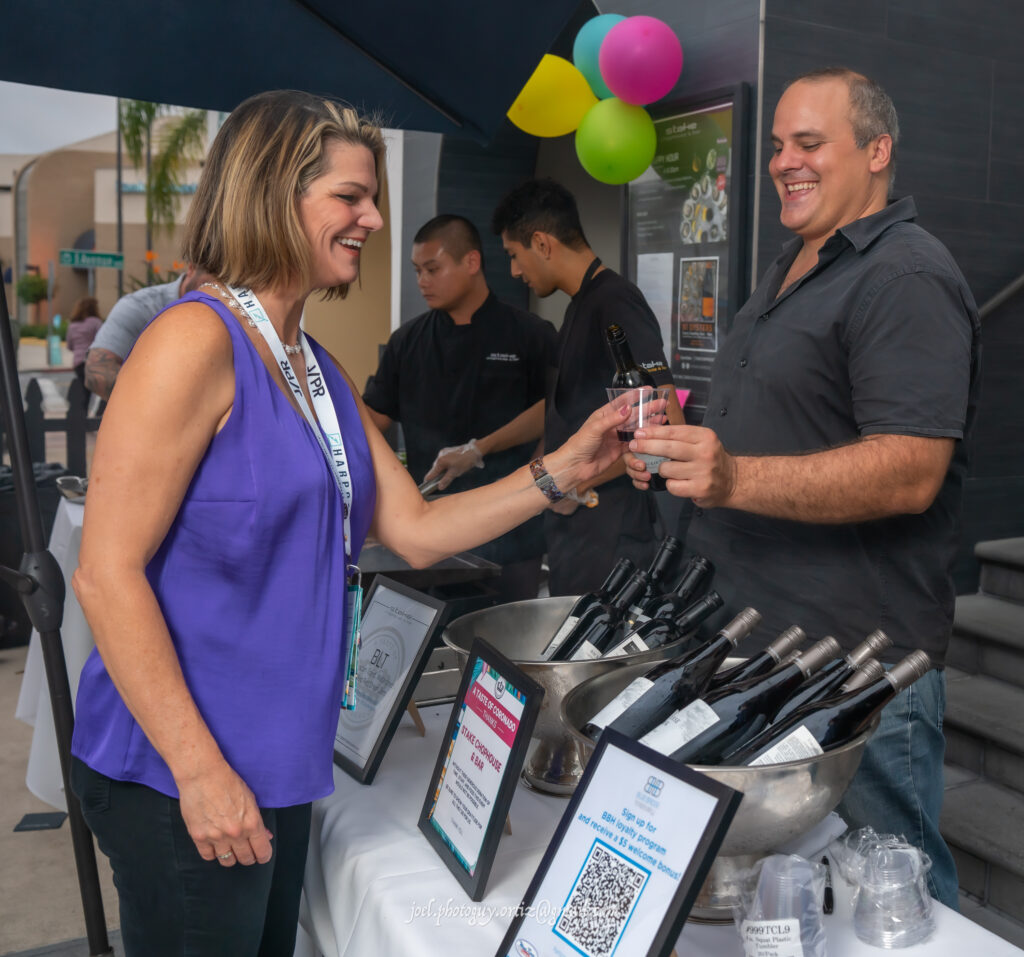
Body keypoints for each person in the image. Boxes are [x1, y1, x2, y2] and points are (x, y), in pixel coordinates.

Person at [68, 90, 627, 957]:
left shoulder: (312, 364)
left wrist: (564, 468)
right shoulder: (194, 342)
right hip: (183, 772)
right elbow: (106, 572)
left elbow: (414, 527)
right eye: (349, 196)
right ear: (270, 197)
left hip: (277, 762)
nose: (372, 218)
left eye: (372, 197)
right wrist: (201, 770)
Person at [626, 68, 980, 908]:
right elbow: (785, 425)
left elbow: (910, 468)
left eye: (810, 143)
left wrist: (734, 474)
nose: (784, 160)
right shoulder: (794, 262)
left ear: (878, 151)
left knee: (891, 901)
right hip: (757, 646)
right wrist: (674, 453)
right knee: (781, 899)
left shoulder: (907, 276)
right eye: (779, 143)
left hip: (858, 674)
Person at [491, 178, 684, 597]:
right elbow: (562, 411)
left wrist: (579, 481)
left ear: (541, 243)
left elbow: (664, 420)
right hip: (573, 537)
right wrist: (538, 473)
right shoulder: (580, 304)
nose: (514, 271)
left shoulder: (615, 304)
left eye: (514, 255)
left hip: (614, 542)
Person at [363, 214, 556, 602]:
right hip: (429, 530)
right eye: (418, 271)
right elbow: (372, 419)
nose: (422, 282)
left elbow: (555, 412)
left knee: (502, 645)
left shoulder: (530, 334)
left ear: (471, 262)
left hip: (511, 533)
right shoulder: (407, 342)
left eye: (433, 269)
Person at [83, 266, 210, 400]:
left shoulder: (227, 312)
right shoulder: (141, 306)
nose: (221, 293)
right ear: (192, 268)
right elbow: (97, 372)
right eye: (212, 284)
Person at [65, 296, 103, 408]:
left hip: (78, 362)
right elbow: (102, 341)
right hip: (92, 360)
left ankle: (81, 413)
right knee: (96, 391)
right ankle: (87, 416)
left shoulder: (72, 325)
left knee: (84, 391)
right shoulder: (96, 322)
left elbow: (69, 346)